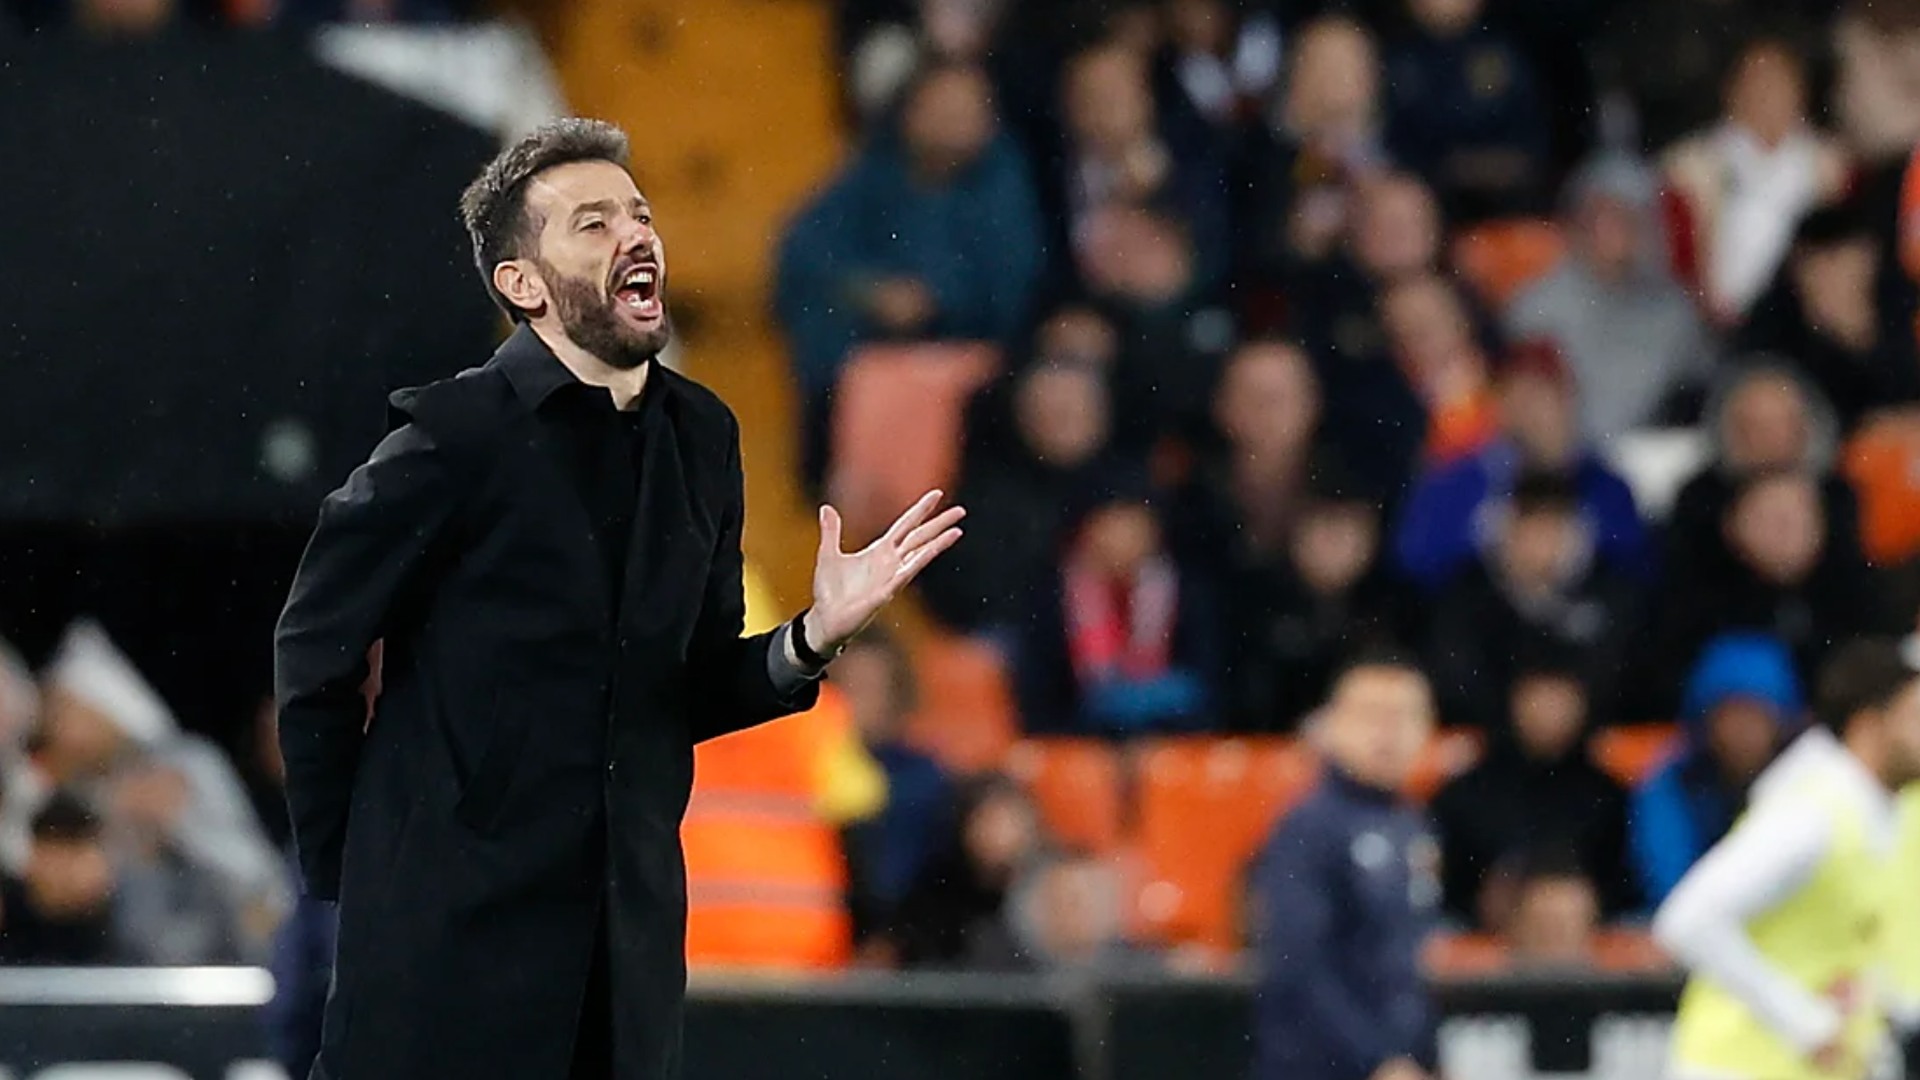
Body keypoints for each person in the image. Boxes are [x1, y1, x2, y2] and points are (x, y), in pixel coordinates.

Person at [273, 119, 964, 1080]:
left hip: (622, 950)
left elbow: (687, 690)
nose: (636, 236)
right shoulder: (451, 436)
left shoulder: (702, 438)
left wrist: (810, 637)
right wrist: (350, 860)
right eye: (591, 225)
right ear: (523, 285)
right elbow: (315, 642)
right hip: (450, 945)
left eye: (639, 216)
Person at [1656, 637, 1920, 1080]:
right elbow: (1686, 920)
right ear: (1869, 723)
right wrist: (1802, 1020)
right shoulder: (1811, 814)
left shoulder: (1884, 813)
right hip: (1733, 1068)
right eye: (1916, 716)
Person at [1251, 653, 1441, 1080]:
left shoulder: (1413, 824)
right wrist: (1374, 1060)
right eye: (1372, 715)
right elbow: (1296, 964)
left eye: (1405, 716)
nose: (1388, 733)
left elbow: (1408, 964)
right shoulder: (1307, 828)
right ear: (1332, 725)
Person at [1631, 632, 1803, 905]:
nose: (1743, 731)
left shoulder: (1803, 784)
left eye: (1758, 715)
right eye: (1731, 714)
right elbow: (1670, 886)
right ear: (1705, 719)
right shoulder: (1673, 782)